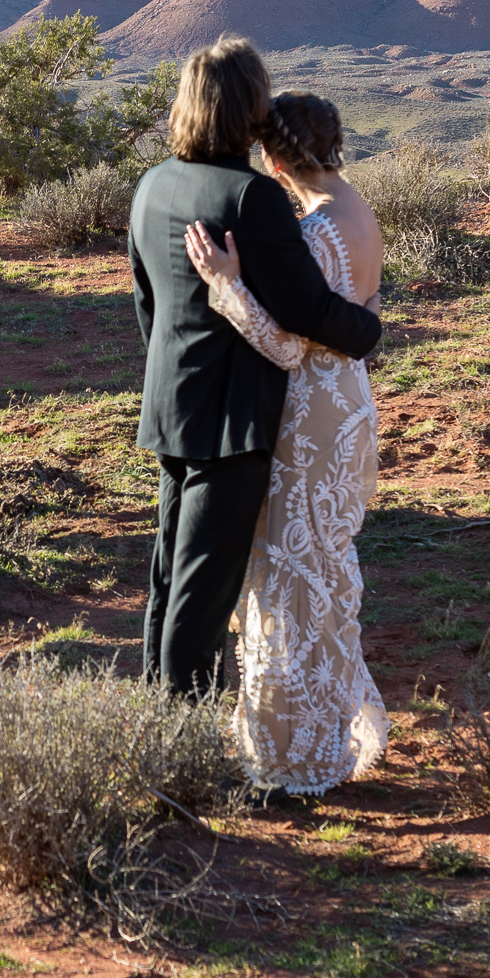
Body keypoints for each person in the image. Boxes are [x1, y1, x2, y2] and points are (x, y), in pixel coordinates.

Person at [128, 36, 381, 700]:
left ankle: (156, 715)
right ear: (247, 105)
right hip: (234, 422)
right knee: (204, 590)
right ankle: (184, 733)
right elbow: (306, 309)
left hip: (169, 408)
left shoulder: (152, 184)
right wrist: (368, 327)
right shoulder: (250, 198)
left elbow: (146, 306)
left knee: (166, 574)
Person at [183, 92, 388, 792]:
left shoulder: (314, 234)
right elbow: (363, 311)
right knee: (324, 568)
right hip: (350, 404)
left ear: (271, 158)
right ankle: (323, 730)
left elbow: (284, 348)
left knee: (287, 573)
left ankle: (292, 752)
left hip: (308, 417)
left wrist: (225, 285)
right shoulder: (354, 208)